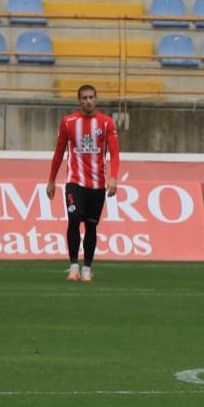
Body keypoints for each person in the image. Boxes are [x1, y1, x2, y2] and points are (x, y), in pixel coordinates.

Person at [45, 84, 120, 283]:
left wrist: (114, 177)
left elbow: (114, 152)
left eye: (91, 97)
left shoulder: (106, 123)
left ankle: (87, 268)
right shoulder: (69, 122)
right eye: (84, 98)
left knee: (91, 226)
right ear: (79, 100)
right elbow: (59, 152)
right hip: (74, 182)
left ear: (96, 99)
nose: (88, 101)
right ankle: (72, 266)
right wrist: (51, 180)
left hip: (97, 184)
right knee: (74, 218)